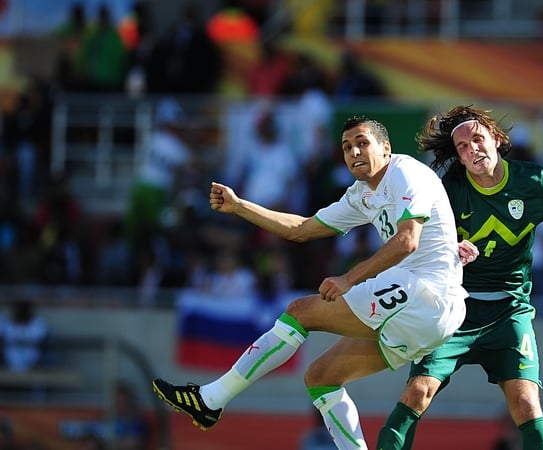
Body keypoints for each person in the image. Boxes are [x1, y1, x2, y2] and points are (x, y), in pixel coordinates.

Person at [152, 116, 468, 450]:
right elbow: (301, 228)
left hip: (428, 294)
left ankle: (210, 399)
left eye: (362, 142)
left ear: (386, 148)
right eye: (347, 147)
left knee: (301, 311)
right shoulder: (362, 194)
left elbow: (407, 241)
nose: (354, 151)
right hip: (425, 317)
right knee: (320, 379)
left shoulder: (405, 172)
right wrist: (240, 206)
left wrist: (349, 278)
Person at [377, 105, 543, 450]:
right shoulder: (447, 191)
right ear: (458, 157)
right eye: (462, 147)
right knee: (417, 392)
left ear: (497, 140)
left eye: (478, 139)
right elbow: (415, 243)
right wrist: (451, 251)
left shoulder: (536, 182)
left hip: (510, 312)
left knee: (527, 405)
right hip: (454, 308)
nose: (472, 149)